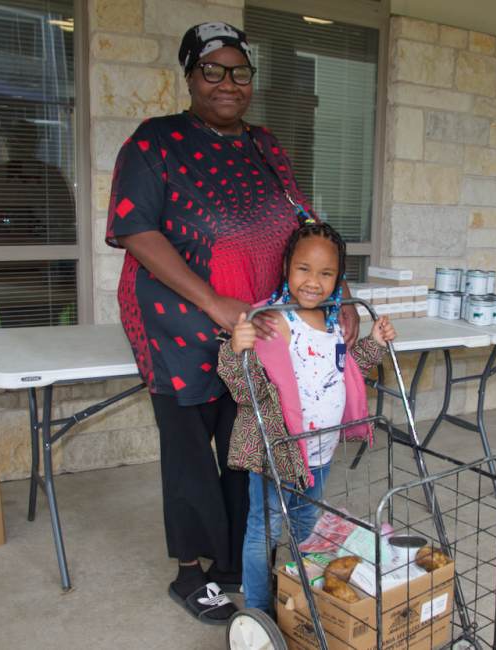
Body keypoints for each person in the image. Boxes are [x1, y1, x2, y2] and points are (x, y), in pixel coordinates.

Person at [105, 22, 358, 624]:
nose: (227, 83)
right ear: (190, 76)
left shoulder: (265, 145)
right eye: (211, 70)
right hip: (178, 327)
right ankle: (190, 573)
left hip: (257, 328)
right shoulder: (154, 142)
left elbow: (304, 223)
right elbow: (136, 230)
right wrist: (214, 301)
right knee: (191, 453)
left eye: (239, 71)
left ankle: (231, 562)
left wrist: (340, 293)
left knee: (249, 446)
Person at [217, 220, 396, 613]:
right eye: (303, 269)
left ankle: (304, 596)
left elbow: (346, 371)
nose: (313, 282)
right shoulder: (272, 322)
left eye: (326, 273)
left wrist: (374, 343)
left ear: (339, 278)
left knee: (306, 526)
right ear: (286, 267)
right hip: (278, 453)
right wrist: (235, 349)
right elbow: (244, 388)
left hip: (321, 452)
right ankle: (259, 609)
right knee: (265, 529)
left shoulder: (333, 322)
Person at [0, 119, 76, 328]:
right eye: (13, 141)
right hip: (3, 264)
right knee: (13, 320)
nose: (14, 146)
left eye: (20, 140)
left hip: (42, 265)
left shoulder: (51, 176)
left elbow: (66, 218)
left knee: (42, 321)